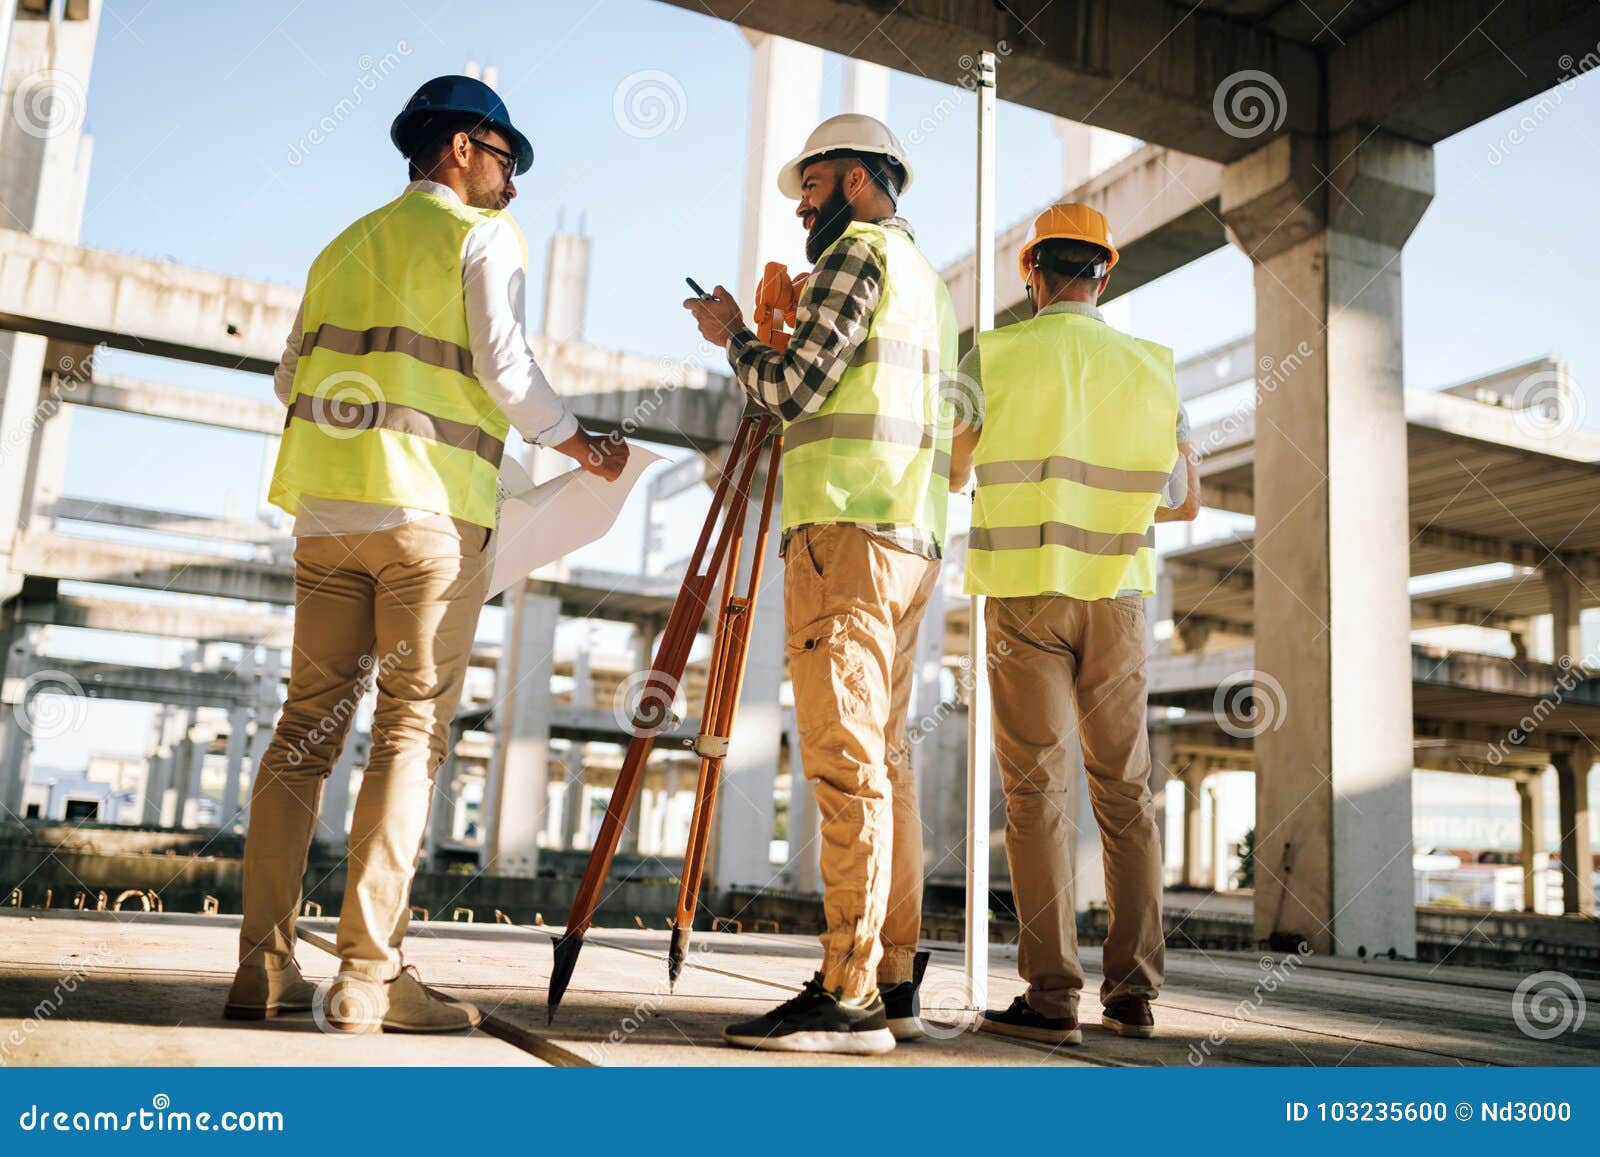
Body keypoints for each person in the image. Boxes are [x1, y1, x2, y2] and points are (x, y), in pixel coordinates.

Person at [225, 75, 627, 1034]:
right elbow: (504, 366)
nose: (514, 185)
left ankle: (261, 968)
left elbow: (288, 376)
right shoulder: (478, 236)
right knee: (409, 730)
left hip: (326, 513)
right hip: (429, 520)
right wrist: (584, 445)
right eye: (505, 159)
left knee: (303, 730)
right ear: (460, 148)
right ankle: (368, 974)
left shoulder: (344, 245)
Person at [684, 113, 955, 1055]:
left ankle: (844, 996)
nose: (801, 201)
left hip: (844, 532)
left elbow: (794, 389)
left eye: (812, 181)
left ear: (855, 178)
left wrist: (732, 338)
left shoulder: (859, 256)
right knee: (886, 764)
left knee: (845, 765)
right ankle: (894, 982)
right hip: (910, 537)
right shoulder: (930, 281)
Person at [948, 202, 1199, 1046]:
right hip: (1118, 597)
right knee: (1125, 793)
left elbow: (950, 469)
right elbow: (1187, 498)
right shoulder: (1153, 366)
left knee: (1037, 793)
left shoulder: (993, 354)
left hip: (1024, 595)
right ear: (1106, 271)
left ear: (1032, 272)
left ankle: (1052, 992)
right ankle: (1132, 993)